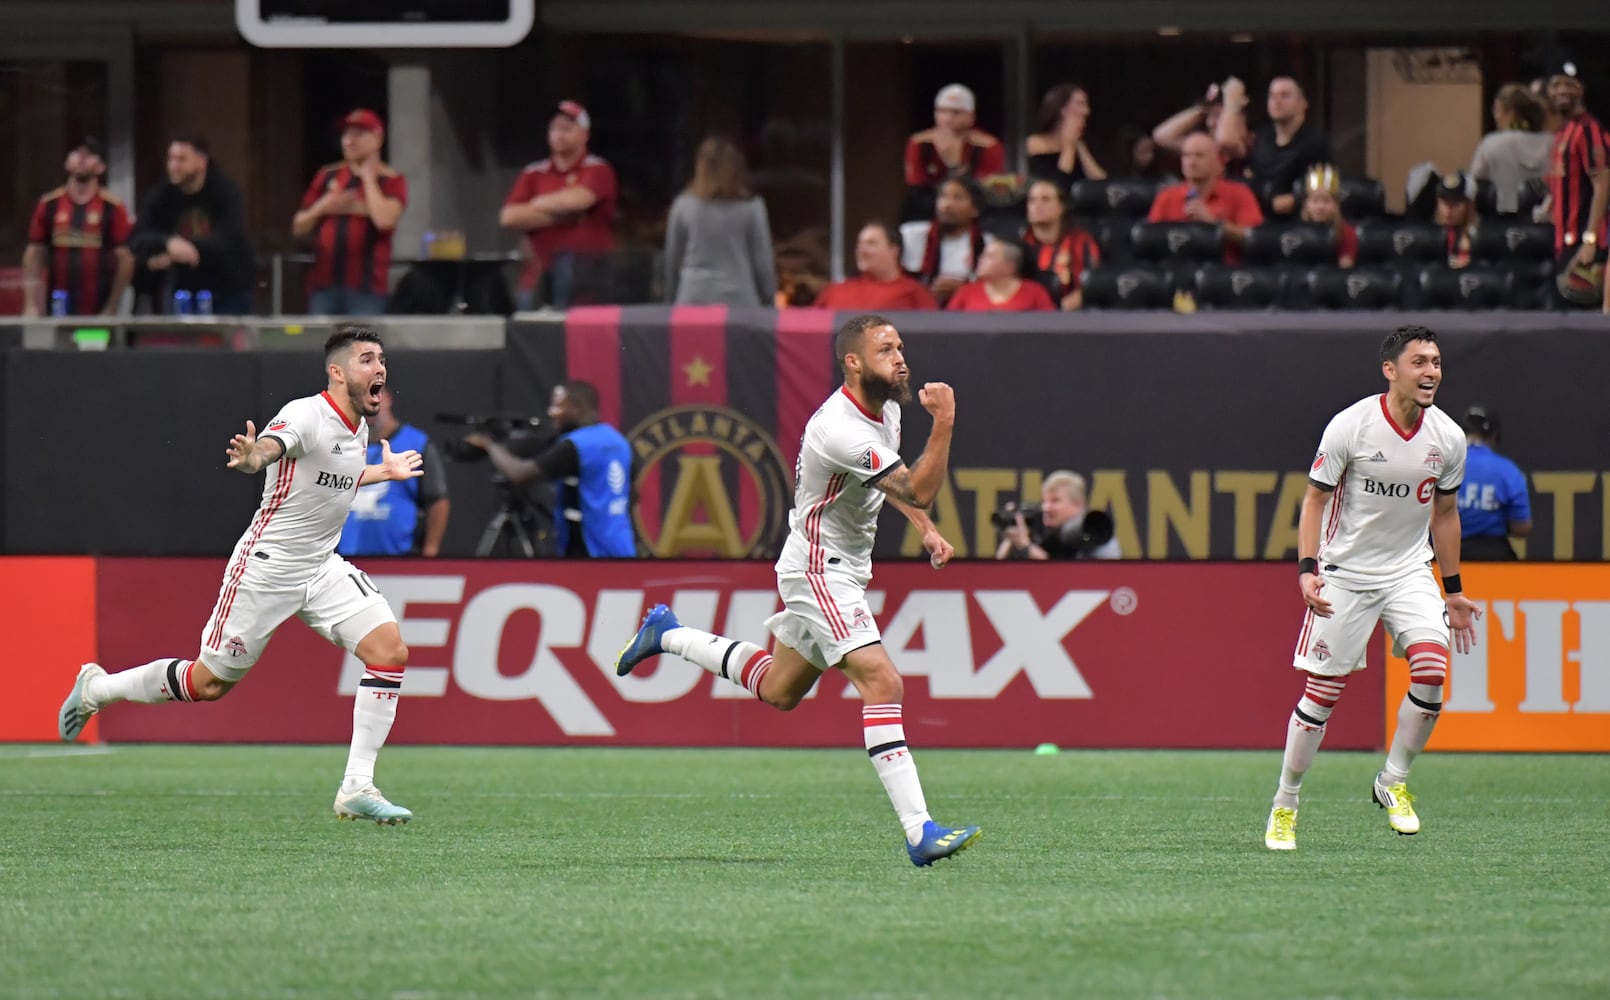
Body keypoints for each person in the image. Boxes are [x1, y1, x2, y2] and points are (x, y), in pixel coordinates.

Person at [612, 314, 981, 867]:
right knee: (883, 681)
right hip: (818, 567)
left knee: (779, 690)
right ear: (852, 362)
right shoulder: (840, 428)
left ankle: (668, 634)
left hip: (843, 566)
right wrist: (947, 422)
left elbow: (891, 484)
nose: (900, 357)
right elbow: (920, 487)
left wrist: (925, 530)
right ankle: (919, 832)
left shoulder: (889, 412)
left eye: (901, 346)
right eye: (885, 349)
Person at [57, 326, 424, 824]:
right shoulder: (306, 414)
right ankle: (97, 688)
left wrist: (383, 472)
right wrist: (256, 457)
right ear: (336, 372)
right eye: (366, 359)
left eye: (381, 359)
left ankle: (357, 786)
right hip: (266, 568)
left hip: (321, 567)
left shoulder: (358, 427)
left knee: (389, 652)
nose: (379, 368)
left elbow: (329, 476)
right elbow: (277, 446)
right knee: (207, 684)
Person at [1264, 325, 1479, 852]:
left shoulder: (1448, 437)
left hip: (1409, 572)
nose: (1432, 372)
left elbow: (1445, 515)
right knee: (1322, 695)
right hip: (1347, 574)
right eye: (1420, 362)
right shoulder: (1351, 426)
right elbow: (1314, 500)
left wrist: (1452, 591)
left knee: (1431, 671)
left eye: (1437, 362)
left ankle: (1393, 781)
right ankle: (1285, 805)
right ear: (1391, 370)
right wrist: (1307, 569)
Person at [465, 381, 635, 558]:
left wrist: (488, 444)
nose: (551, 412)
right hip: (620, 546)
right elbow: (633, 494)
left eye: (557, 406)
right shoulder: (617, 441)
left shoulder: (576, 446)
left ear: (578, 407)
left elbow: (520, 474)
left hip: (587, 550)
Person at [499, 101, 618, 309]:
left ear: (584, 134)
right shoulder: (533, 173)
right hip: (536, 276)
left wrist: (536, 204)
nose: (559, 134)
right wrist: (564, 216)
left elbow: (580, 199)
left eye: (567, 128)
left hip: (584, 279)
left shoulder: (598, 169)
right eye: (555, 128)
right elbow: (509, 216)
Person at [292, 109, 408, 316]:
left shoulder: (391, 180)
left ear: (378, 138)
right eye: (346, 135)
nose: (348, 141)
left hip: (367, 291)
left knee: (360, 346)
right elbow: (299, 227)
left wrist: (369, 179)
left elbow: (384, 220)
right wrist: (325, 206)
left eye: (358, 134)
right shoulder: (328, 175)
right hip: (323, 288)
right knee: (323, 346)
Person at [129, 135, 256, 315]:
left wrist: (179, 251)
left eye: (181, 159)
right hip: (182, 290)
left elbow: (229, 237)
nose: (173, 166)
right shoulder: (161, 194)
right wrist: (169, 243)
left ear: (201, 161)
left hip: (228, 289)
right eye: (171, 159)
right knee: (180, 340)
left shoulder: (226, 192)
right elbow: (137, 238)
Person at [22, 138, 134, 316]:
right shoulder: (49, 204)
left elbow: (125, 259)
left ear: (101, 167)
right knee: (58, 344)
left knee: (91, 344)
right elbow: (34, 253)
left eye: (90, 155)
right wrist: (31, 305)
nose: (82, 158)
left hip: (98, 312)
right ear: (67, 163)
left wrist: (112, 306)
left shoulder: (113, 207)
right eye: (76, 153)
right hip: (57, 308)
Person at [664, 137, 777, 307]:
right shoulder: (752, 208)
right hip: (740, 302)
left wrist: (670, 300)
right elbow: (763, 262)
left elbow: (672, 259)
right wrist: (769, 300)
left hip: (693, 300)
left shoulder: (683, 206)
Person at [338, 387, 451, 557]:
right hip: (347, 558)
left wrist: (430, 552)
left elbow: (437, 501)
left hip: (400, 558)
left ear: (388, 399)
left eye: (374, 399)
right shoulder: (341, 445)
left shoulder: (416, 443)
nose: (369, 407)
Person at [1543, 65, 1608, 309]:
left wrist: (1590, 240)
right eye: (1556, 84)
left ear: (1580, 89)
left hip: (1584, 244)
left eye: (1569, 85)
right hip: (1564, 241)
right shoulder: (1563, 132)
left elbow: (1602, 185)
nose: (1562, 90)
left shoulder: (1589, 129)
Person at [1147, 132, 1264, 264]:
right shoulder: (1167, 196)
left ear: (1217, 162)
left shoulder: (1239, 193)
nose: (1191, 162)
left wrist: (1215, 225)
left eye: (1199, 156)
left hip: (1222, 274)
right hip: (1177, 269)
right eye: (1186, 155)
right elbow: (1150, 240)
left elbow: (1255, 239)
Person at [901, 83, 1005, 221]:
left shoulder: (988, 146)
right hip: (927, 210)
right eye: (942, 111)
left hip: (975, 213)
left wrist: (955, 165)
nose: (948, 118)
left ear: (971, 116)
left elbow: (985, 192)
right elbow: (917, 189)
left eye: (956, 112)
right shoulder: (919, 143)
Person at [1244, 77, 1334, 218]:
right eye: (1272, 96)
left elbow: (1325, 185)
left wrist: (1296, 199)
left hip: (1301, 220)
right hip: (1259, 217)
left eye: (1285, 96)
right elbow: (1251, 177)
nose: (1277, 101)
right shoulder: (1260, 139)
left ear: (1303, 103)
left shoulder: (1316, 143)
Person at [1457, 406, 1532, 562]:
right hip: (1492, 557)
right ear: (1493, 436)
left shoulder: (1442, 466)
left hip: (1446, 556)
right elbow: (1522, 527)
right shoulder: (1508, 471)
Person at [995, 470, 1121, 560]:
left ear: (1077, 504)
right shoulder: (1047, 534)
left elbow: (1061, 576)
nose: (1046, 508)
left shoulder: (1096, 532)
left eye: (1055, 501)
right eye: (1044, 501)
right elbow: (999, 573)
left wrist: (1025, 545)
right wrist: (1012, 534)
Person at [1468, 83, 1552, 216]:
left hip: (1499, 220)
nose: (1495, 117)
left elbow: (1473, 185)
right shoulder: (1553, 142)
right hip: (1543, 219)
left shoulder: (1491, 142)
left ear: (1511, 113)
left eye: (1497, 110)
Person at [899, 176, 984, 306]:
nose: (947, 204)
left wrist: (962, 289)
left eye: (958, 198)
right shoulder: (910, 235)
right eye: (943, 196)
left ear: (975, 210)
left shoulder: (986, 244)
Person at [812, 222, 936, 311]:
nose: (861, 250)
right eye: (859, 244)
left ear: (894, 250)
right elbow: (808, 327)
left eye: (871, 243)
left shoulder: (915, 292)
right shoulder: (835, 290)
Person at [1020, 179, 1100, 310]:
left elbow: (1091, 285)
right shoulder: (1020, 244)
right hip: (1027, 314)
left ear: (1061, 207)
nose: (1037, 205)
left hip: (1069, 315)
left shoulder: (1080, 241)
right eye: (1032, 200)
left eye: (1045, 200)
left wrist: (1058, 312)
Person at [1024, 83, 1107, 190]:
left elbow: (1102, 185)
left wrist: (1078, 145)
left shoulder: (1085, 143)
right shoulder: (1034, 143)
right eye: (1080, 104)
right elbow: (1058, 187)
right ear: (1062, 109)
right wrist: (1069, 146)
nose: (1086, 111)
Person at [944, 240, 1054, 313]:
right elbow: (948, 326)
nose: (981, 259)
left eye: (990, 256)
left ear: (1009, 266)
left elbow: (1051, 326)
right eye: (983, 255)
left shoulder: (1035, 292)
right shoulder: (966, 292)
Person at [1299, 164, 1358, 268]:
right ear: (1306, 204)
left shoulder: (1346, 232)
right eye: (1315, 201)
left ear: (1336, 205)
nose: (1320, 207)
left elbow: (1345, 268)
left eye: (1326, 201)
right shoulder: (1297, 230)